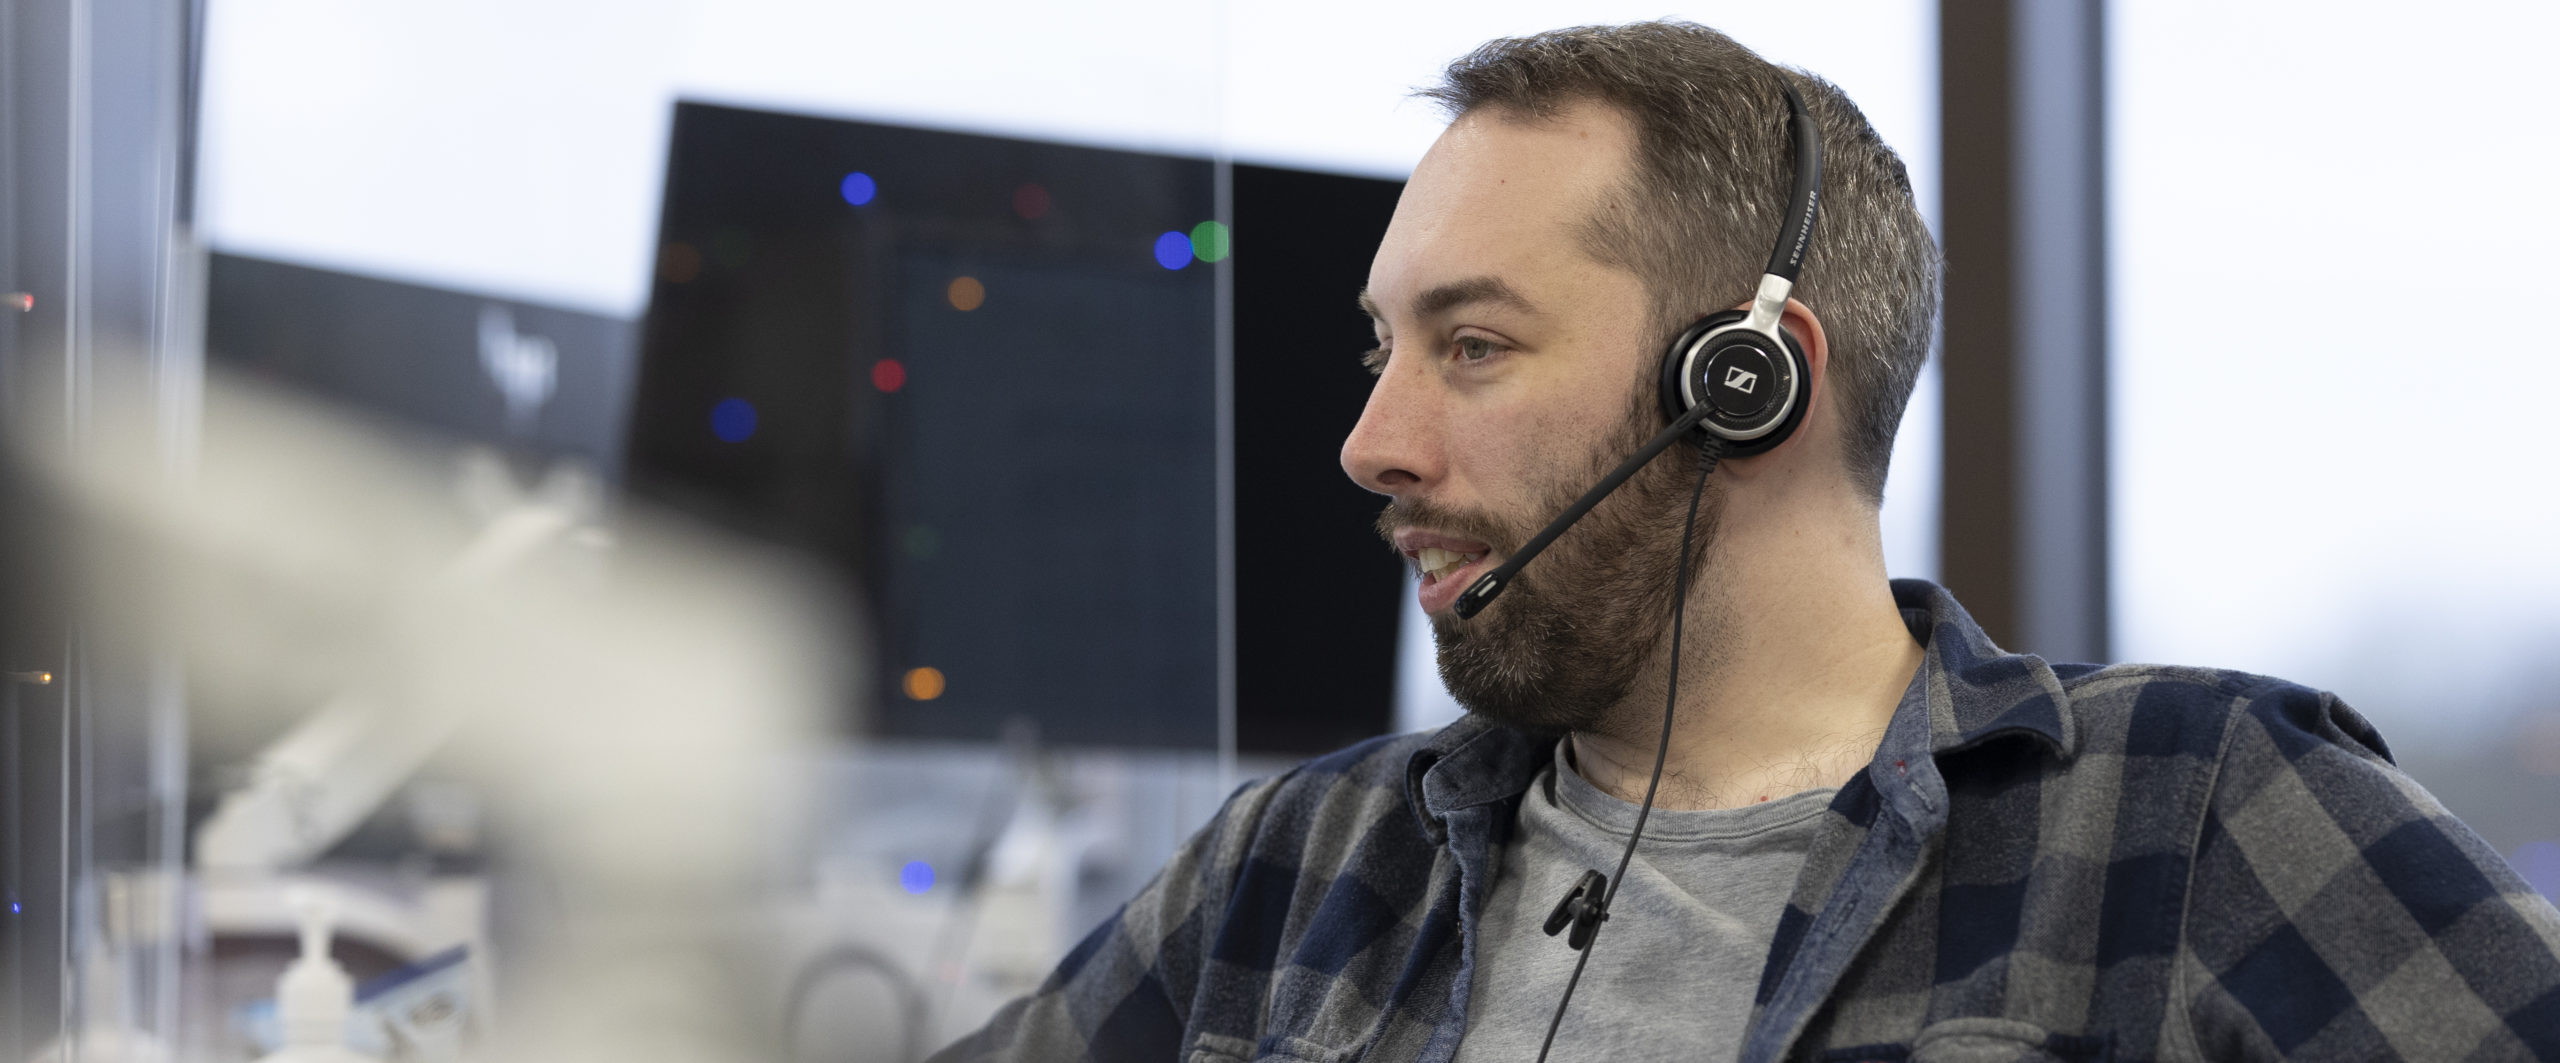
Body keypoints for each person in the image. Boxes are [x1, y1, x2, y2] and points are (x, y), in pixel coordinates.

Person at [932, 20, 2560, 1062]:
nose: (1373, 445)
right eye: (1383, 350)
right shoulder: (1297, 868)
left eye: (1475, 346)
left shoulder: (2196, 813)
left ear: (1746, 384)